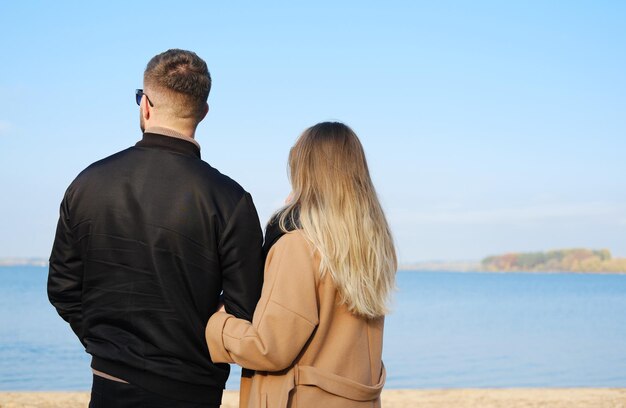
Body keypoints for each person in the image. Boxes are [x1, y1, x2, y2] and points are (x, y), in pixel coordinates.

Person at [48, 49, 264, 408]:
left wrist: (108, 344)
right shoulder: (231, 199)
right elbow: (245, 307)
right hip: (192, 386)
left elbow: (63, 288)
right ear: (203, 112)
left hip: (110, 379)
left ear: (145, 105)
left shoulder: (88, 183)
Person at [206, 122, 397, 408]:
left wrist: (216, 322)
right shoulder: (371, 244)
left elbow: (270, 349)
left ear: (304, 170)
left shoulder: (299, 245)